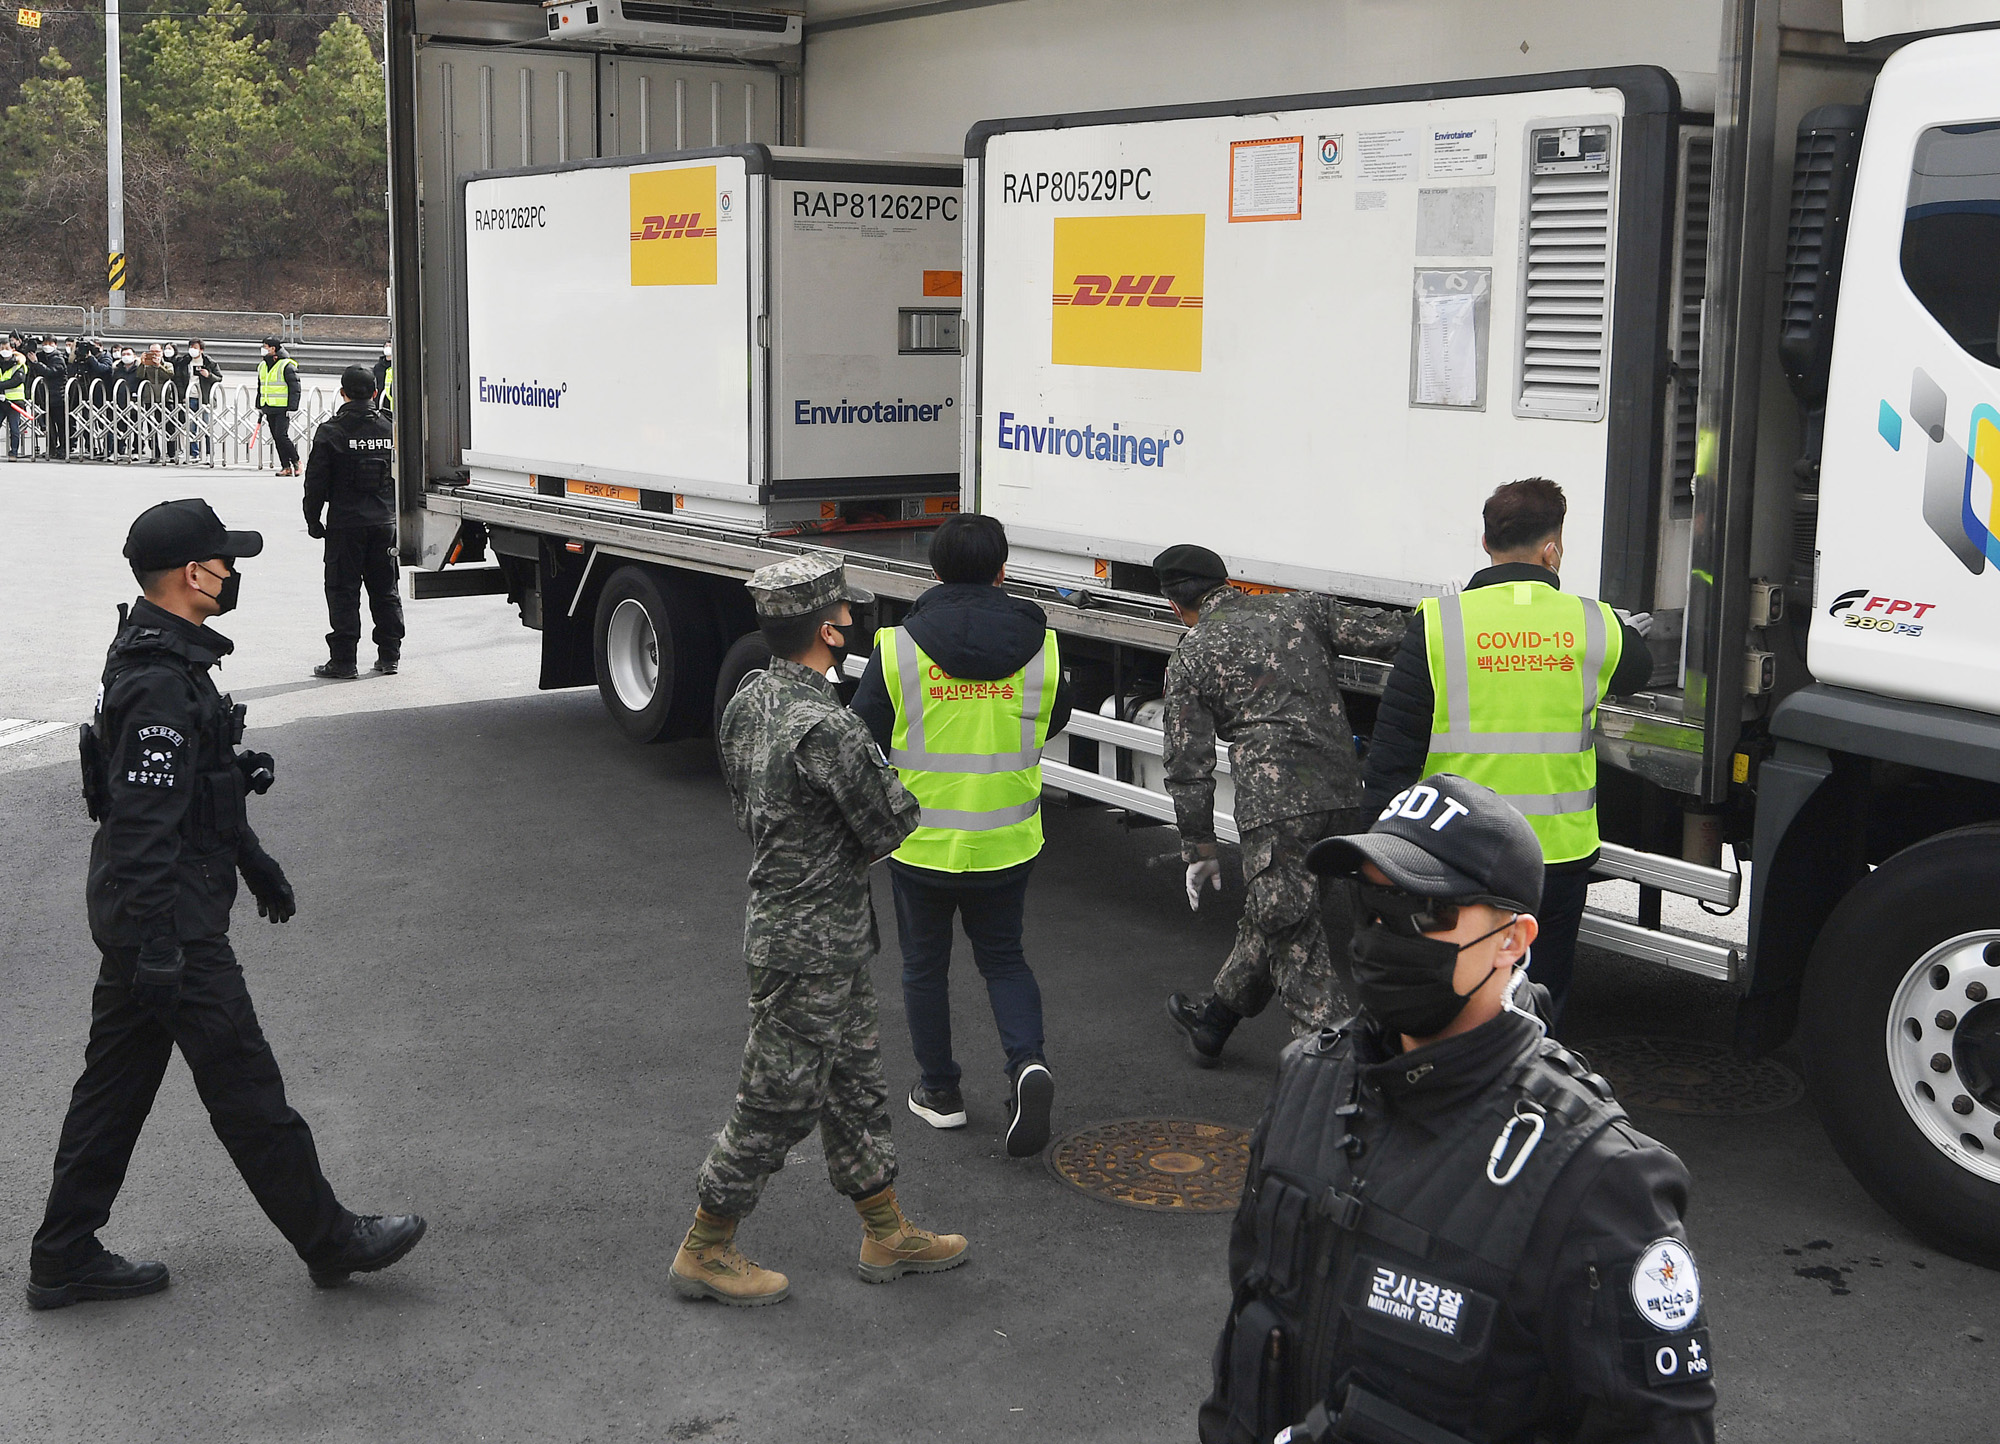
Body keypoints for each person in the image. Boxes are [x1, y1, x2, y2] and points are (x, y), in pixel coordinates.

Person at [1199, 773, 1715, 1444]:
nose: (1383, 931)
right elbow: (1246, 1343)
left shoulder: (1596, 1178)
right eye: (1370, 902)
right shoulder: (1306, 1082)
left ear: (1513, 940)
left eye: (1423, 910)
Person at [28, 499, 427, 1311]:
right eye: (224, 560)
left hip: (147, 919)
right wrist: (161, 947)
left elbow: (196, 791)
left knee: (112, 1092)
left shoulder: (166, 655)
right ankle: (329, 1240)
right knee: (245, 1084)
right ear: (192, 574)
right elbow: (143, 828)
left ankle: (64, 1255)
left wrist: (254, 860)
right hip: (168, 923)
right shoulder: (157, 681)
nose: (233, 571)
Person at [673, 554, 968, 1307]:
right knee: (776, 1099)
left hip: (807, 932)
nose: (852, 621)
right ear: (830, 633)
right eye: (845, 614)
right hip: (812, 945)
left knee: (855, 1087)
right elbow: (891, 823)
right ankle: (706, 1246)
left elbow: (750, 805)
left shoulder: (750, 697)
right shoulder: (828, 728)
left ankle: (886, 1232)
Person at [1361, 479, 1653, 1029]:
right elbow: (1638, 670)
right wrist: (1625, 634)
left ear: (1485, 543)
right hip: (1555, 857)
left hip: (1457, 850)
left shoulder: (1439, 622)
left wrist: (1378, 858)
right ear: (1552, 550)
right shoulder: (1595, 624)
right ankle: (1530, 1072)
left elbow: (1393, 750)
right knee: (1541, 995)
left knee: (1454, 988)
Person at [851, 514, 1070, 1156]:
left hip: (920, 841)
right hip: (1007, 838)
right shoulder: (1042, 645)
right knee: (1004, 958)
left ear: (935, 571)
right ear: (1003, 571)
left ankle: (940, 1093)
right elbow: (1052, 720)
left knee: (924, 966)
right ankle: (1027, 1064)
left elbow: (862, 732)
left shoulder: (898, 647)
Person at [1154, 544, 1404, 1063]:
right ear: (1228, 582)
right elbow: (1392, 632)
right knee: (1277, 914)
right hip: (1343, 793)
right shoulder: (1299, 607)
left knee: (1293, 935)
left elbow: (1188, 763)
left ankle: (1339, 1070)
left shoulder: (1192, 654)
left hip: (1277, 809)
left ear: (1176, 604)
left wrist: (1199, 847)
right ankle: (1214, 1021)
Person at [303, 365, 404, 679]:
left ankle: (344, 661)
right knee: (385, 590)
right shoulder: (391, 427)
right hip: (385, 523)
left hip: (346, 525)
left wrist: (312, 519)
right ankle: (389, 656)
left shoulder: (331, 431)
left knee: (343, 591)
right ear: (375, 392)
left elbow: (315, 482)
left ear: (342, 392)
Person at [257, 336, 303, 476]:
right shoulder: (263, 365)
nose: (263, 349)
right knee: (276, 438)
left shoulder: (286, 365)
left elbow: (295, 387)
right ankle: (285, 466)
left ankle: (296, 461)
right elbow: (261, 386)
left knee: (281, 435)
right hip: (269, 405)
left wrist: (292, 407)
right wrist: (259, 405)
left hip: (283, 407)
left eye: (265, 347)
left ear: (273, 348)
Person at [182, 340, 223, 464]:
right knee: (191, 427)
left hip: (205, 398)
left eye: (195, 347)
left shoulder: (209, 362)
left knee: (207, 427)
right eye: (190, 347)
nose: (192, 350)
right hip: (190, 397)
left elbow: (219, 378)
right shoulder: (185, 362)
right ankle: (194, 453)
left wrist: (208, 375)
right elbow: (179, 379)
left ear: (201, 350)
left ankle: (210, 454)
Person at [0, 336, 29, 458]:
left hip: (15, 401)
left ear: (13, 349)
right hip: (1, 401)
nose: (4, 351)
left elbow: (17, 381)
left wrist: (1, 386)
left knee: (14, 428)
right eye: (1, 348)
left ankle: (14, 452)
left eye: (6, 348)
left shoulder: (19, 364)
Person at [373, 342, 394, 416]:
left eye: (390, 346)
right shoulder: (378, 367)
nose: (388, 348)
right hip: (379, 400)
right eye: (386, 346)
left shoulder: (397, 365)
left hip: (392, 401)